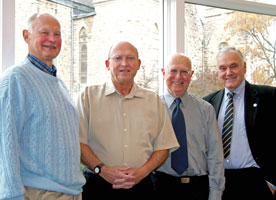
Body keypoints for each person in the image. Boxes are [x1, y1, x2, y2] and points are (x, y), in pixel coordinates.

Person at [77, 41, 179, 198]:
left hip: (142, 186)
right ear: (107, 64)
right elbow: (78, 142)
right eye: (117, 58)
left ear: (138, 64)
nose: (124, 63)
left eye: (130, 58)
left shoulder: (154, 101)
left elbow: (164, 146)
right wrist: (101, 169)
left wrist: (142, 172)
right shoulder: (88, 97)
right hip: (97, 185)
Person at [0, 13, 85, 199]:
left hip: (70, 191)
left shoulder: (58, 82)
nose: (52, 39)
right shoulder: (15, 80)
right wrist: (12, 196)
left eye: (57, 34)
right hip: (39, 193)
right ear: (26, 36)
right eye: (44, 32)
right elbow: (5, 145)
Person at [204, 46, 276, 200]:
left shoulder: (269, 97)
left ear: (244, 67)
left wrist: (272, 182)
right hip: (220, 183)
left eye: (233, 66)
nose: (228, 73)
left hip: (256, 181)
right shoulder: (208, 103)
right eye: (222, 68)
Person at [155, 53, 225, 199]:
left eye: (184, 71)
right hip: (161, 187)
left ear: (191, 74)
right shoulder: (151, 109)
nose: (178, 77)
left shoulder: (206, 110)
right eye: (173, 71)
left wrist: (216, 193)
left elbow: (215, 156)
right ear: (163, 73)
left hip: (197, 188)